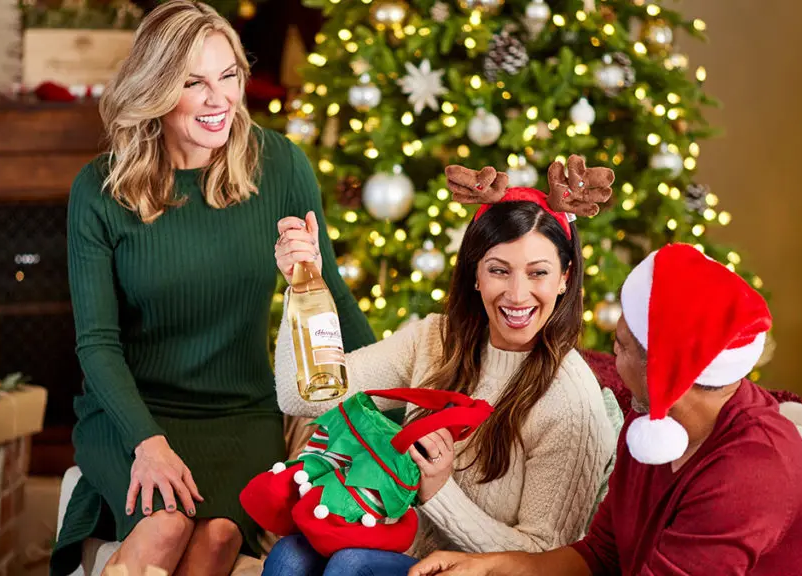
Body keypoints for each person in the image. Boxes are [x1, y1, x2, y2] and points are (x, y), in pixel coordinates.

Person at [49, 2, 376, 575]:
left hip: (239, 412)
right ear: (155, 89)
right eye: (193, 82)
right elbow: (96, 342)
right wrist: (147, 444)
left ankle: (102, 557)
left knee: (221, 537)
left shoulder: (280, 166)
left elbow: (334, 298)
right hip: (135, 409)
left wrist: (385, 403)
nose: (219, 98)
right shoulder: (99, 191)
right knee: (167, 524)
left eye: (228, 76)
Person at [262, 157, 623, 576]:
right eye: (499, 271)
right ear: (475, 275)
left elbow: (548, 558)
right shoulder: (436, 339)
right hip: (403, 552)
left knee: (352, 566)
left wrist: (438, 491)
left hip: (482, 573)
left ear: (565, 277)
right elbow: (298, 397)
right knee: (290, 555)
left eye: (538, 273)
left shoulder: (569, 400)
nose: (518, 294)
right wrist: (303, 288)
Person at [409, 243, 802, 576]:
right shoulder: (650, 421)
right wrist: (490, 566)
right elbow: (599, 555)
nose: (610, 354)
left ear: (663, 369)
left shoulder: (749, 475)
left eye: (621, 345)